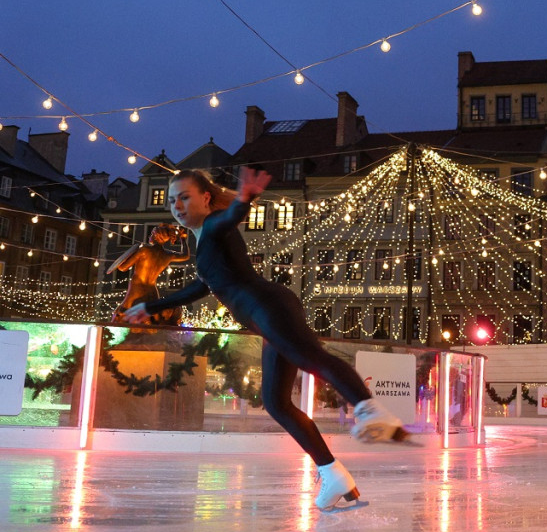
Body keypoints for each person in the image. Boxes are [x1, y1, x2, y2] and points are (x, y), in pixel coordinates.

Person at [123, 167, 407, 511]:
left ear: (206, 198)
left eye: (185, 197)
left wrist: (244, 200)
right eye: (171, 201)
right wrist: (150, 306)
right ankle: (332, 473)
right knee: (276, 402)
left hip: (269, 307)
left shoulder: (213, 226)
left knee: (310, 358)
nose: (177, 206)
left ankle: (370, 411)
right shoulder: (202, 240)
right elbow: (203, 286)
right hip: (264, 314)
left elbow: (228, 219)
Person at [107, 223, 190, 325]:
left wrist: (129, 255)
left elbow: (123, 268)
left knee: (119, 316)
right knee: (151, 321)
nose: (150, 236)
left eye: (152, 234)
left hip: (137, 289)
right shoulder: (167, 255)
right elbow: (186, 256)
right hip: (152, 290)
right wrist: (183, 239)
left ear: (157, 236)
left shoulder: (144, 250)